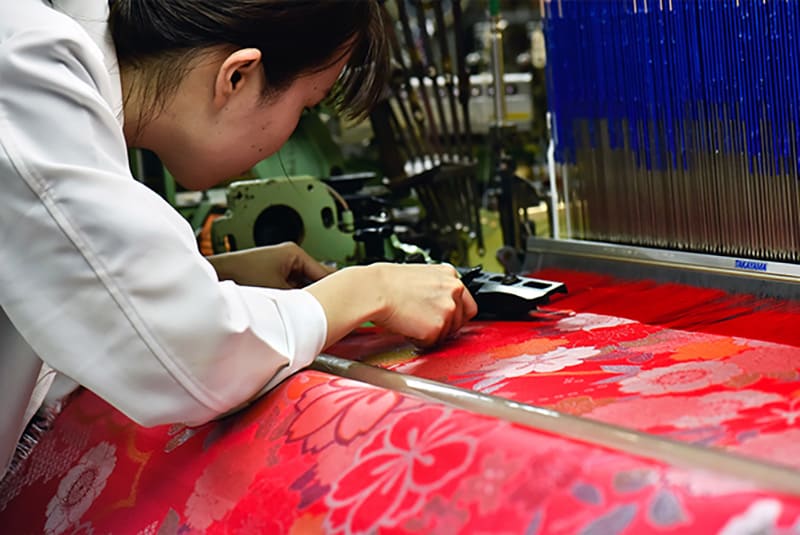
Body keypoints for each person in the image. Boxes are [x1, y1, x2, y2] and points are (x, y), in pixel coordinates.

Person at [0, 0, 478, 478]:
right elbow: (188, 356)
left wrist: (214, 275)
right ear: (236, 77)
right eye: (305, 108)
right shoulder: (26, 66)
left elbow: (69, 279)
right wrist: (369, 289)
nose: (291, 134)